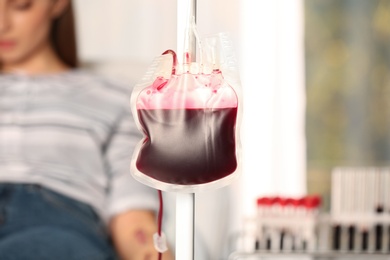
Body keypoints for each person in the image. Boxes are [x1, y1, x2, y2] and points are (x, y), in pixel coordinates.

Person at [0, 0, 173, 259]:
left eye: (22, 6)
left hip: (54, 226)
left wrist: (147, 250)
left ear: (57, 4)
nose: (2, 24)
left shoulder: (115, 97)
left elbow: (132, 214)